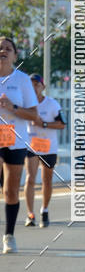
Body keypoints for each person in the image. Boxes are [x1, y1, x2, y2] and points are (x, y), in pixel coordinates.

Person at [0, 37, 38, 252]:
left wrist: (12, 107)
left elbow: (33, 114)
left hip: (15, 139)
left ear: (15, 55)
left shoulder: (22, 80)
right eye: (0, 48)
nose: (3, 51)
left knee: (11, 191)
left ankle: (9, 235)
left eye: (8, 49)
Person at [23, 74, 65, 227]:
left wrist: (44, 124)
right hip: (32, 145)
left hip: (49, 146)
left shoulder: (52, 104)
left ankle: (44, 210)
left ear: (43, 87)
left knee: (46, 180)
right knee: (30, 178)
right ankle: (30, 214)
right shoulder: (24, 103)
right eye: (31, 85)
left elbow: (62, 124)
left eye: (37, 84)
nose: (34, 88)